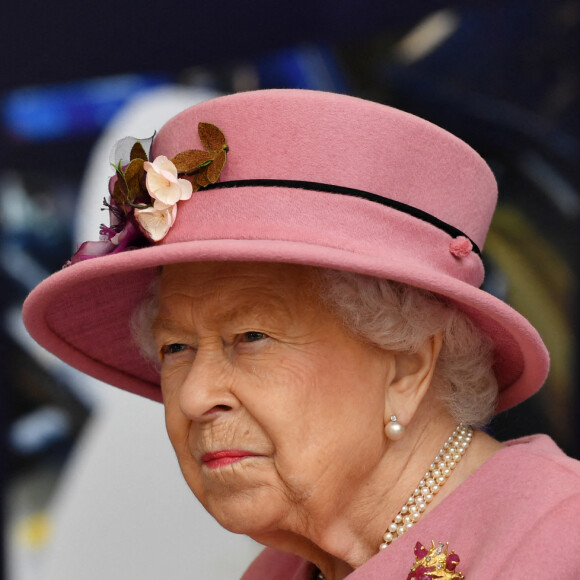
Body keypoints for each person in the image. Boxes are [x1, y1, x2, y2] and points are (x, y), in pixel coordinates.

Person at [23, 89, 580, 579]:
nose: (192, 397)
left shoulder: (559, 543)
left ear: (408, 363)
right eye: (175, 348)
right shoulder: (282, 569)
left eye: (251, 336)